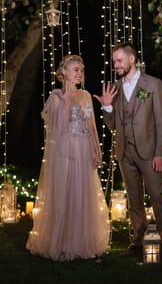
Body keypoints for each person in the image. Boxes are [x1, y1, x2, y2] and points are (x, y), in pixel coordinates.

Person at [94, 42, 162, 266]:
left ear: (132, 59)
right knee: (134, 200)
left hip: (149, 153)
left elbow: (161, 121)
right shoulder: (116, 88)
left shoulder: (153, 84)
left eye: (119, 60)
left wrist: (160, 153)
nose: (116, 65)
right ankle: (138, 242)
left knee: (158, 197)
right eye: (114, 61)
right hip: (124, 152)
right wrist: (108, 107)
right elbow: (112, 126)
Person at [26, 54, 110, 261]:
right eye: (75, 69)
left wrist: (96, 150)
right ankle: (61, 241)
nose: (79, 73)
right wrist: (65, 100)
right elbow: (58, 128)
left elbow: (91, 126)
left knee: (83, 193)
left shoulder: (86, 95)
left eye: (81, 69)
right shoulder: (56, 96)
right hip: (65, 150)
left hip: (83, 148)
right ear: (63, 73)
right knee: (65, 193)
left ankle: (80, 240)